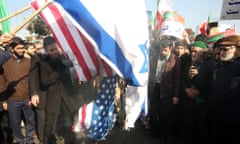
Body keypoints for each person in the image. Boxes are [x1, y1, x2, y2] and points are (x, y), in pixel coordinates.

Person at [37, 36, 78, 143]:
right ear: (46, 51)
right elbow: (43, 81)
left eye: (56, 49)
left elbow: (69, 78)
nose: (55, 52)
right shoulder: (42, 63)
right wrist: (55, 75)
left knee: (68, 122)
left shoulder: (63, 60)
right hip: (52, 99)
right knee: (50, 124)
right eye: (51, 50)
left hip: (66, 98)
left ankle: (69, 139)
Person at [0, 36, 36, 144]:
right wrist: (4, 100)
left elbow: (32, 80)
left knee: (30, 122)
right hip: (12, 100)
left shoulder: (29, 62)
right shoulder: (5, 63)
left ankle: (30, 141)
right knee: (15, 124)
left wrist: (32, 96)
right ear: (12, 49)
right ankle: (20, 141)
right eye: (19, 48)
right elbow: (2, 82)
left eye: (23, 48)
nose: (22, 50)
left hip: (27, 99)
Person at [208, 35, 240, 144]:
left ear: (237, 50)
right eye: (220, 49)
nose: (221, 52)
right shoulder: (219, 67)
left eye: (225, 49)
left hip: (234, 122)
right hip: (218, 119)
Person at [182, 40, 214, 144]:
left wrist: (198, 76)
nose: (193, 54)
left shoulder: (210, 65)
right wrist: (186, 89)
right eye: (192, 51)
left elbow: (211, 85)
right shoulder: (188, 65)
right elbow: (182, 81)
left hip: (202, 105)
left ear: (203, 53)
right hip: (189, 103)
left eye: (196, 51)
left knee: (200, 132)